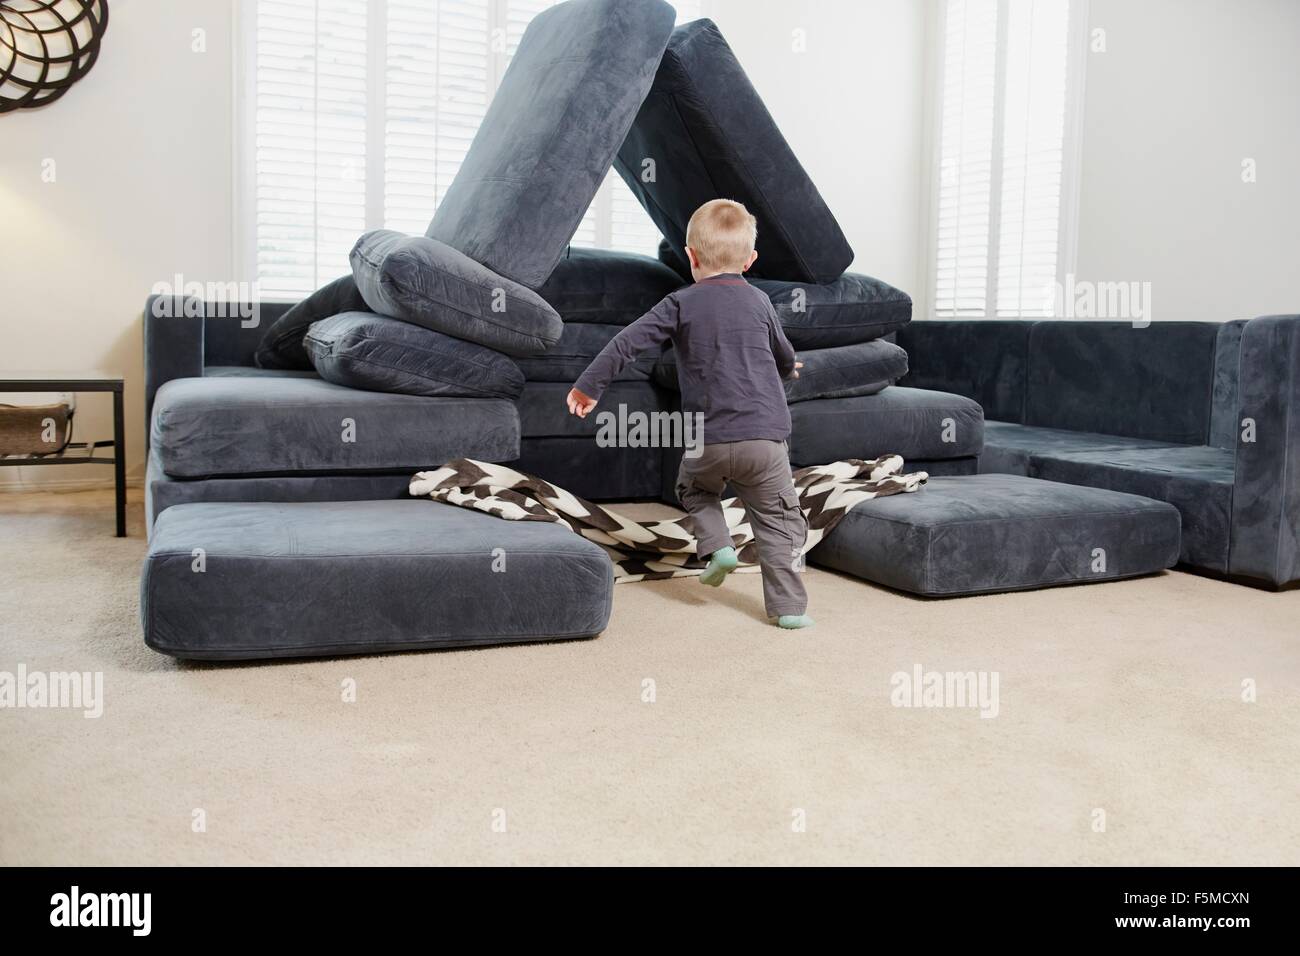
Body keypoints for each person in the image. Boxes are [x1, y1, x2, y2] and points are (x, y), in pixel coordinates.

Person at [566, 199, 813, 629]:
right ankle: (789, 608)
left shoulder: (679, 303)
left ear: (691, 257)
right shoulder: (760, 303)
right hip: (765, 443)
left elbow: (627, 342)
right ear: (750, 261)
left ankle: (717, 546)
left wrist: (589, 385)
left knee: (695, 489)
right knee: (778, 521)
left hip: (708, 443)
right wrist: (789, 370)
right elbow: (784, 356)